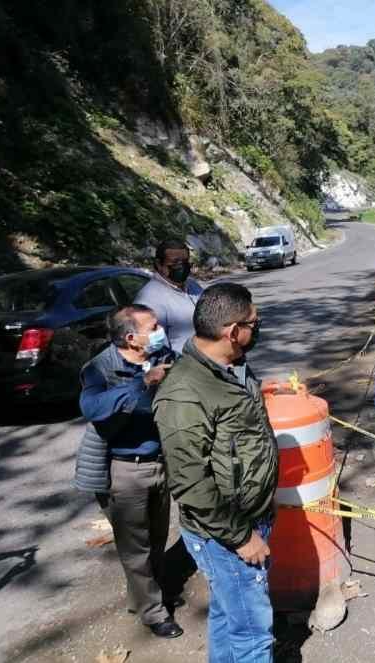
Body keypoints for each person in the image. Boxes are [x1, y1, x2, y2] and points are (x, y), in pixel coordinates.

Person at [153, 283, 278, 663]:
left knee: (228, 614)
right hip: (225, 533)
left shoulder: (231, 365)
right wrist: (242, 538)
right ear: (232, 331)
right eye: (254, 323)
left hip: (250, 517)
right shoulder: (184, 394)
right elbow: (189, 483)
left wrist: (261, 393)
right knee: (254, 633)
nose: (258, 329)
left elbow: (235, 425)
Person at [73, 304, 183, 639]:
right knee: (135, 548)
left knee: (158, 537)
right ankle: (154, 612)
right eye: (154, 325)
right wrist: (141, 384)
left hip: (161, 463)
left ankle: (147, 595)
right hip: (123, 470)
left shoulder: (163, 355)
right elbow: (92, 408)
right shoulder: (100, 368)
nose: (161, 328)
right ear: (132, 338)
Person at [135, 238, 204, 353]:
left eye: (185, 261)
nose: (181, 266)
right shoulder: (149, 300)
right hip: (184, 367)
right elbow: (155, 351)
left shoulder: (193, 286)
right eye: (175, 262)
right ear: (159, 264)